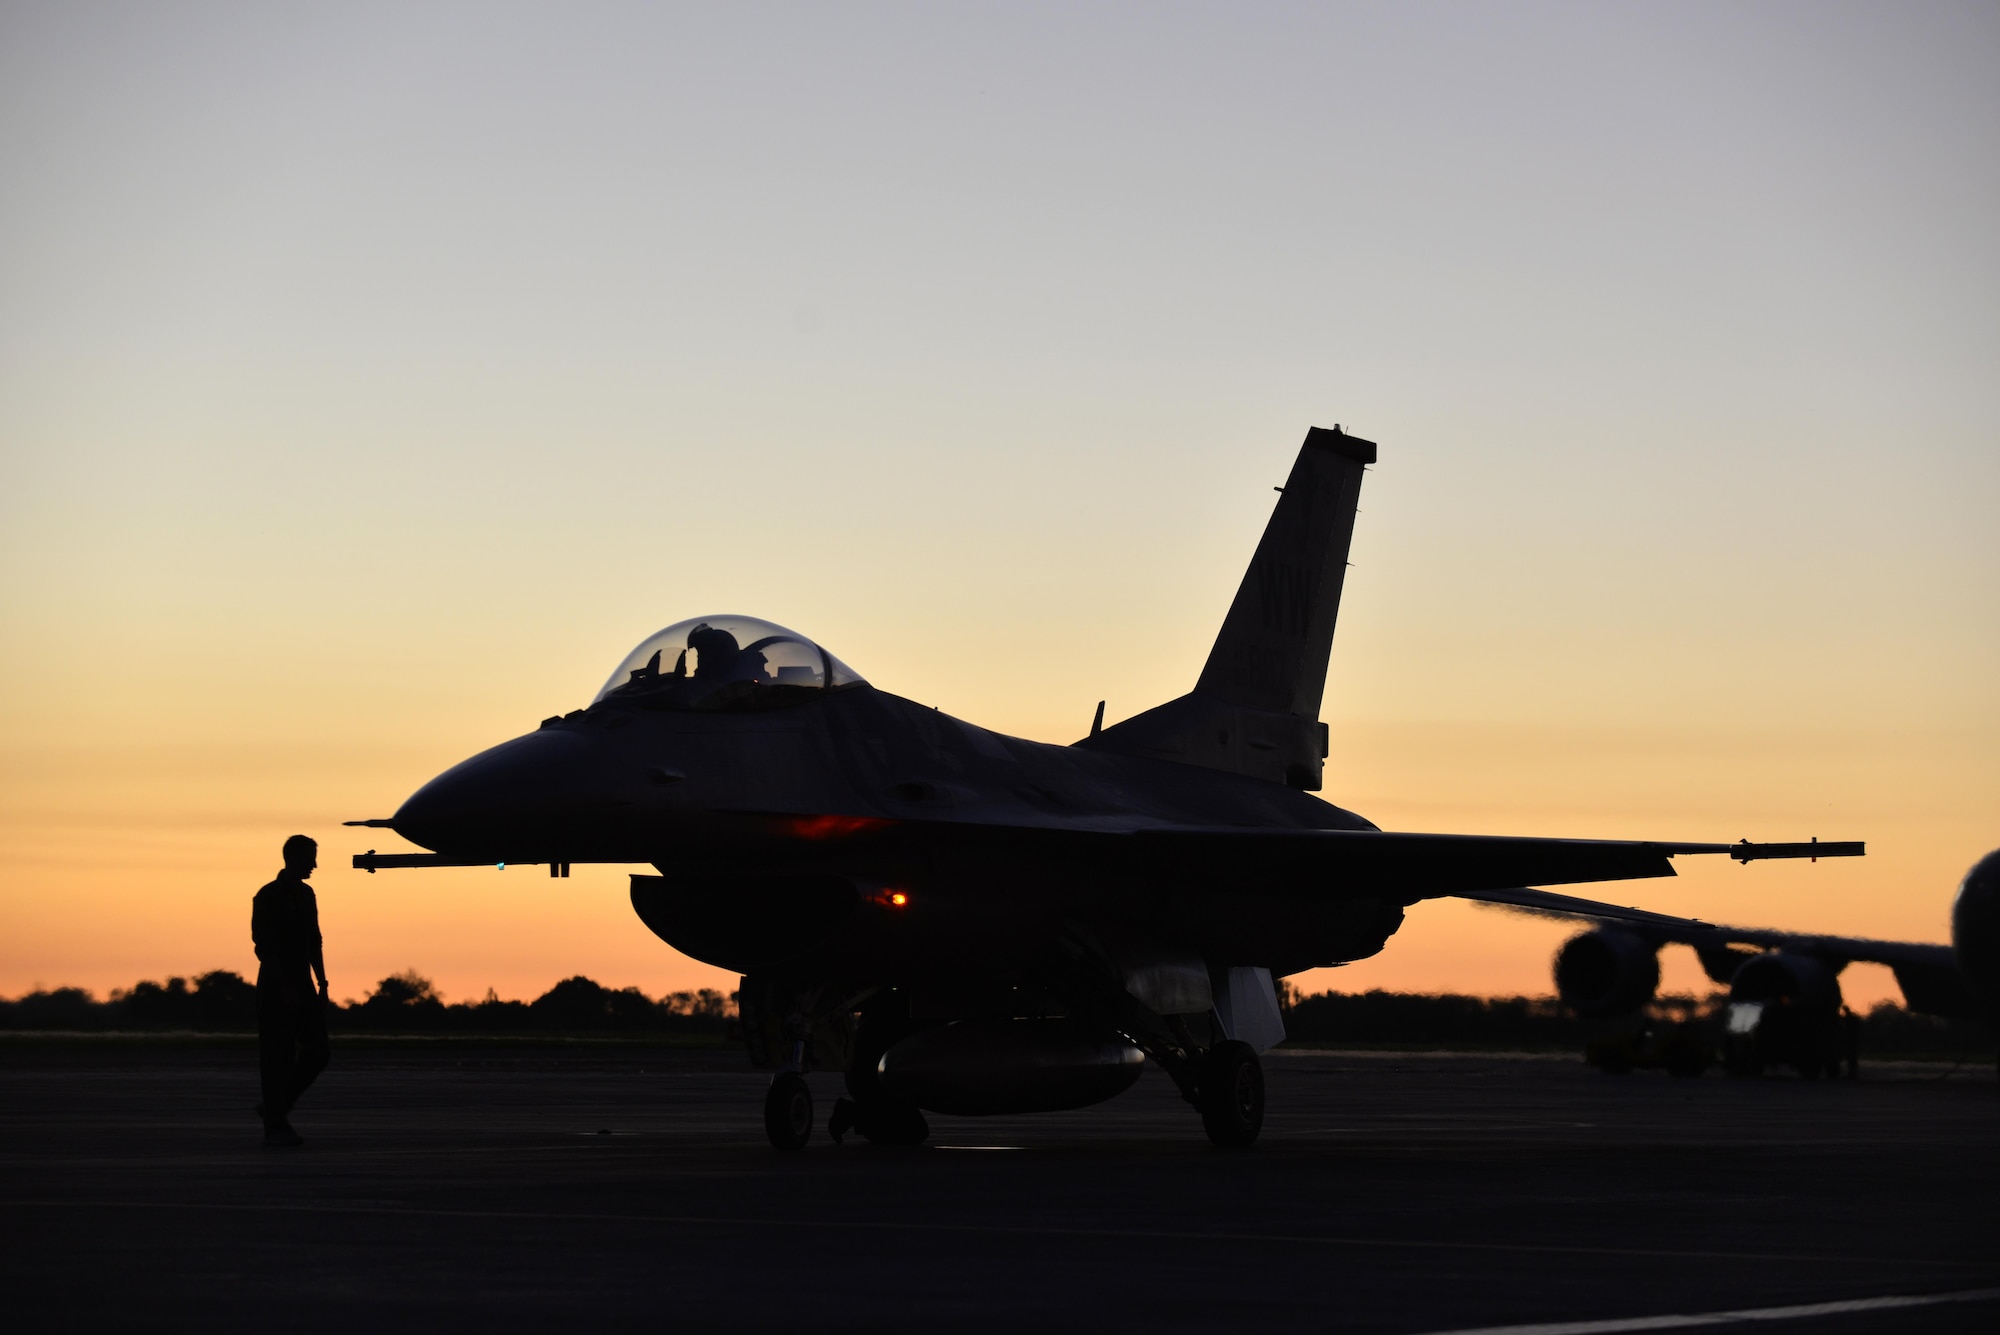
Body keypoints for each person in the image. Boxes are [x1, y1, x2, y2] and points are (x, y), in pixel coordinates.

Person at [252, 834, 330, 1147]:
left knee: (318, 1052)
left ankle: (277, 1108)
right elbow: (263, 947)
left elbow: (315, 940)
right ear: (293, 858)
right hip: (275, 986)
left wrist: (322, 983)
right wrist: (284, 986)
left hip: (304, 984)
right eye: (310, 857)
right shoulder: (267, 896)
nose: (314, 864)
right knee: (277, 1057)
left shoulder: (307, 894)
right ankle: (275, 1127)